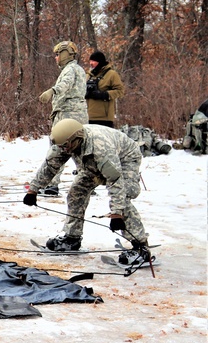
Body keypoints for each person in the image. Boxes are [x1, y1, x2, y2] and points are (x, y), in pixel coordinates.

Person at [23, 118, 152, 266]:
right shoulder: (65, 142)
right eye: (61, 147)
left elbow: (115, 181)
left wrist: (116, 213)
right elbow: (51, 166)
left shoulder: (102, 149)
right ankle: (72, 238)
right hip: (92, 163)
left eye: (65, 147)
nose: (63, 150)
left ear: (76, 140)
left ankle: (141, 247)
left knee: (125, 196)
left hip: (124, 159)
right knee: (76, 193)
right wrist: (34, 189)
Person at [37, 40, 88, 196]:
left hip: (67, 114)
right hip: (80, 114)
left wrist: (51, 91)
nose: (56, 58)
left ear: (66, 54)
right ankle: (86, 182)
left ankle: (51, 185)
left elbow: (65, 85)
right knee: (80, 150)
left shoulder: (70, 70)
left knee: (57, 149)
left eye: (58, 54)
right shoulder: (79, 70)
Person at [84, 51, 125, 128]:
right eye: (90, 61)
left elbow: (120, 91)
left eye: (93, 61)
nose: (91, 63)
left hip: (104, 118)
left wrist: (104, 94)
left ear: (100, 62)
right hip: (88, 117)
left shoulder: (111, 74)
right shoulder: (88, 76)